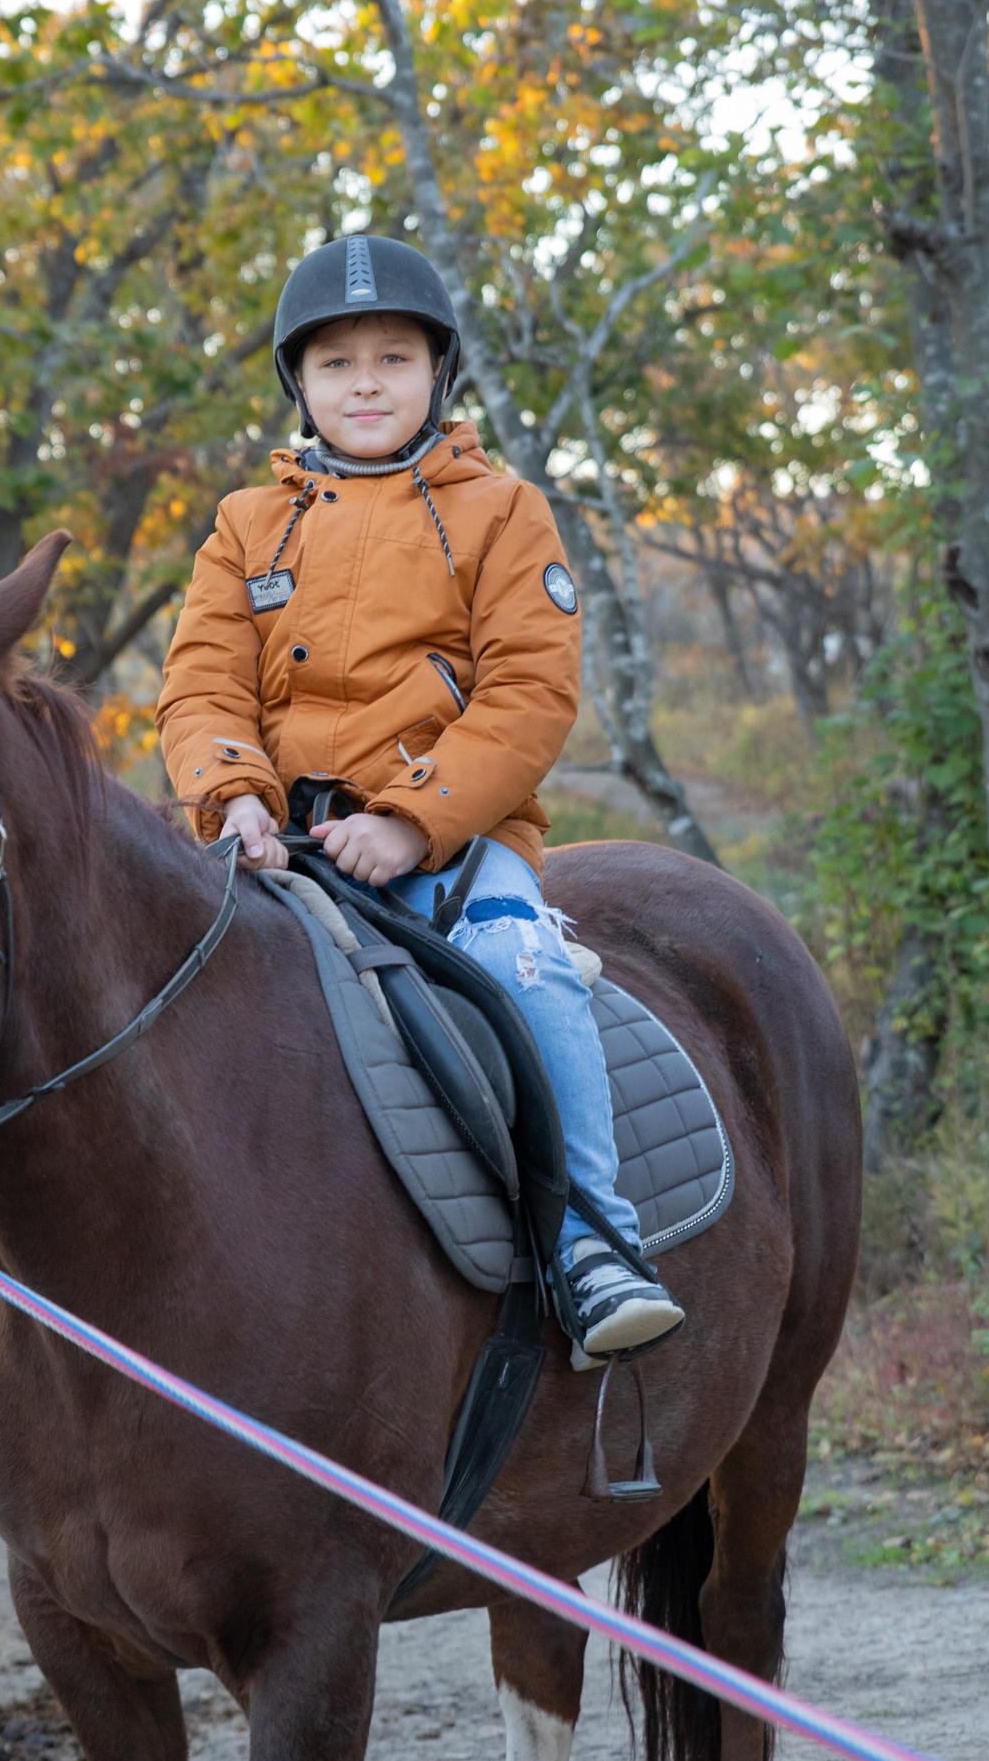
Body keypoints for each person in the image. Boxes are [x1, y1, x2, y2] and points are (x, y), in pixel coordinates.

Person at [156, 232, 682, 1361]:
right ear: (296, 382)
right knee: (104, 955)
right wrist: (231, 796)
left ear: (436, 375)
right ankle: (14, 1254)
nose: (364, 384)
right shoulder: (247, 522)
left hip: (444, 836)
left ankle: (592, 1238)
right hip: (269, 839)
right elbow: (199, 682)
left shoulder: (499, 511)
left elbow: (531, 694)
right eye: (337, 363)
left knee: (520, 966)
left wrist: (409, 819)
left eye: (392, 359)